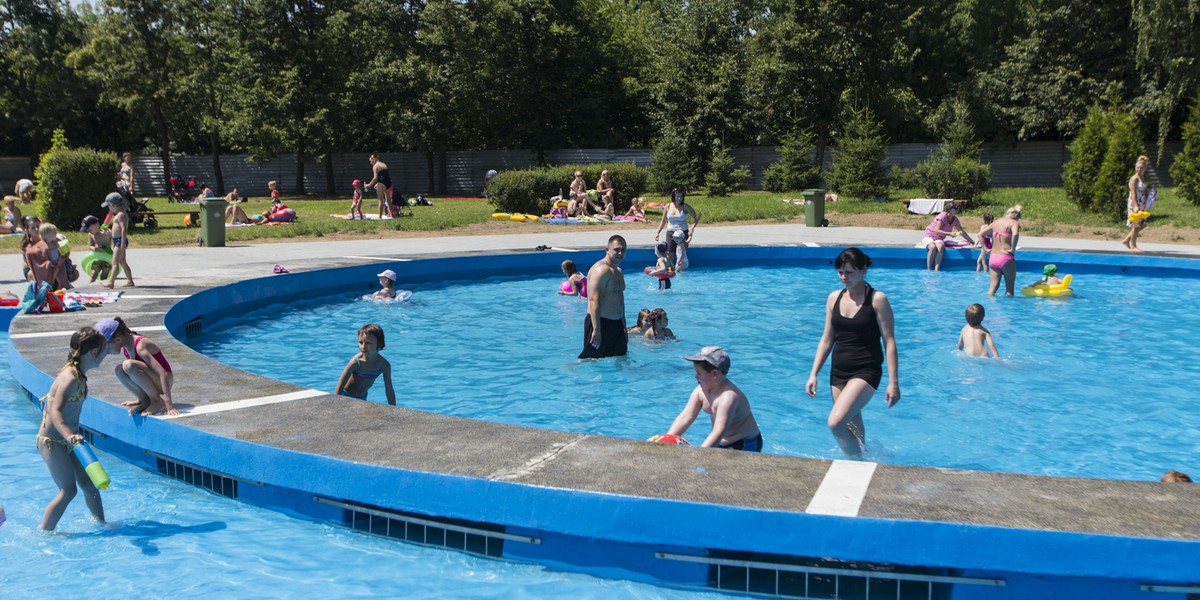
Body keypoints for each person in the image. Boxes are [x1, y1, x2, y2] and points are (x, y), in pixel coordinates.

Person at [805, 248, 899, 456]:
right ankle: (866, 459)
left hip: (866, 370)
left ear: (863, 269)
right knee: (852, 427)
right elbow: (827, 339)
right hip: (839, 370)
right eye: (840, 272)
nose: (843, 277)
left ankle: (856, 462)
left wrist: (893, 382)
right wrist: (814, 373)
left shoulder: (877, 299)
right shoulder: (833, 298)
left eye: (849, 272)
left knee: (835, 422)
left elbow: (889, 341)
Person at [36, 327, 109, 531]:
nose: (104, 355)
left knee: (89, 484)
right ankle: (45, 532)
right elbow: (55, 411)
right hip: (53, 442)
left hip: (70, 440)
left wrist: (71, 438)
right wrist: (69, 436)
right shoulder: (70, 378)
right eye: (103, 351)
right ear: (93, 353)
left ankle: (102, 524)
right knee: (68, 491)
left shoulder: (79, 374)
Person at [666, 346, 762, 451]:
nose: (696, 377)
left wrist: (699, 454)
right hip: (721, 441)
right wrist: (667, 440)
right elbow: (685, 417)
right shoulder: (700, 391)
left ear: (714, 374)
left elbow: (719, 431)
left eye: (699, 373)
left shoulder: (728, 397)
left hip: (745, 442)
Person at [96, 317, 178, 416]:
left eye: (107, 349)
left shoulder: (140, 346)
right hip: (155, 379)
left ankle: (156, 401)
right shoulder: (126, 347)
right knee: (119, 370)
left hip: (165, 380)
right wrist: (140, 397)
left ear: (118, 339)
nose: (109, 353)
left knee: (128, 365)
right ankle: (144, 400)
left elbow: (162, 373)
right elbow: (140, 374)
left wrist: (169, 404)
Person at [579, 235, 628, 359]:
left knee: (621, 359)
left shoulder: (618, 270)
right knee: (591, 361)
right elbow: (593, 300)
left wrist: (623, 326)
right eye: (616, 249)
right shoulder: (601, 270)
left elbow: (620, 300)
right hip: (601, 323)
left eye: (623, 250)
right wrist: (596, 329)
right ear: (607, 249)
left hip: (616, 324)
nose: (620, 253)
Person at [335, 324, 396, 405]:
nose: (363, 346)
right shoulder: (356, 362)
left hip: (362, 398)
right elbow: (339, 387)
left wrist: (393, 408)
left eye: (368, 343)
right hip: (346, 396)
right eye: (360, 342)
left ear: (379, 344)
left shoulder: (384, 365)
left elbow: (389, 389)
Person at [655, 188, 701, 272]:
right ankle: (669, 271)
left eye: (680, 197)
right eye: (677, 196)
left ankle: (680, 274)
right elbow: (663, 220)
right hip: (670, 233)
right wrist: (658, 232)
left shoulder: (685, 207)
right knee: (669, 255)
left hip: (682, 234)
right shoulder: (668, 206)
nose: (679, 198)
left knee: (681, 255)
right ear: (673, 196)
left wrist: (692, 228)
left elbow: (696, 217)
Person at [921, 203, 974, 271]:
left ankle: (937, 269)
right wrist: (949, 234)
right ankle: (929, 269)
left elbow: (962, 232)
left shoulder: (955, 220)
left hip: (939, 238)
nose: (956, 210)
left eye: (956, 208)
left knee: (940, 247)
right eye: (954, 208)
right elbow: (937, 230)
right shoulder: (942, 216)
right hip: (929, 235)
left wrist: (972, 242)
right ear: (949, 209)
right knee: (932, 247)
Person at [102, 192, 135, 288]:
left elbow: (123, 228)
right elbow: (117, 230)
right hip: (117, 240)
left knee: (115, 261)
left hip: (120, 240)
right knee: (123, 261)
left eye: (109, 206)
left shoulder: (121, 215)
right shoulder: (119, 214)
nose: (109, 209)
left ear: (112, 205)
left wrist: (123, 242)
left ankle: (111, 282)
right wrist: (110, 235)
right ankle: (130, 281)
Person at [25, 222, 71, 290]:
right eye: (54, 232)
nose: (56, 233)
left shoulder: (55, 243)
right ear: (47, 234)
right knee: (50, 282)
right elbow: (32, 253)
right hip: (50, 268)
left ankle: (63, 286)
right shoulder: (41, 246)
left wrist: (64, 255)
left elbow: (61, 253)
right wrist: (48, 264)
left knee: (62, 280)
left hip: (58, 267)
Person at [987, 204, 1021, 297]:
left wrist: (985, 248)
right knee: (1009, 290)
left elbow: (980, 234)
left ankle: (989, 307)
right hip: (1005, 257)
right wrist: (1013, 249)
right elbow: (1015, 234)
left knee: (992, 288)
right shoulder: (1013, 223)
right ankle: (1010, 310)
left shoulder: (996, 222)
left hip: (993, 257)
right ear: (1015, 214)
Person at [1121, 155, 1151, 252]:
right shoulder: (1134, 179)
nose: (1139, 169)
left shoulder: (1142, 178)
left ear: (1145, 168)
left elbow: (1143, 191)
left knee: (1143, 224)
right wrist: (1135, 206)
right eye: (1137, 167)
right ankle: (1133, 246)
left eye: (1141, 168)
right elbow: (1133, 193)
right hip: (1135, 204)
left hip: (1141, 204)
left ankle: (1127, 239)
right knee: (1135, 225)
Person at [81, 215, 113, 283]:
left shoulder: (107, 232)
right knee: (94, 272)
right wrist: (95, 248)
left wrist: (111, 235)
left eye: (89, 229)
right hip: (97, 257)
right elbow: (90, 246)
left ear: (96, 224)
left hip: (107, 257)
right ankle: (89, 286)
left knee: (105, 272)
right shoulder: (91, 235)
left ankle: (102, 286)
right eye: (87, 230)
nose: (88, 231)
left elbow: (116, 240)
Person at [365, 155, 393, 219]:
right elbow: (384, 176)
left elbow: (375, 178)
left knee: (380, 200)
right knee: (388, 200)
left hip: (382, 183)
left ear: (374, 159)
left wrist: (369, 185)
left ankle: (380, 217)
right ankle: (392, 216)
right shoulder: (383, 164)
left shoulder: (375, 166)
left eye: (371, 161)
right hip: (388, 183)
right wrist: (378, 183)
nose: (370, 163)